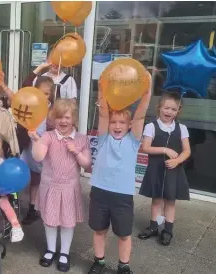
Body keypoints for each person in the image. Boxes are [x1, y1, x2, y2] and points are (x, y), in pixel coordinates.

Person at [87, 74, 152, 274]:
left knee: (124, 234)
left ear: (129, 125)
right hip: (100, 191)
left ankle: (123, 265)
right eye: (114, 122)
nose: (116, 126)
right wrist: (101, 88)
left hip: (122, 195)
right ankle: (99, 261)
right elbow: (104, 113)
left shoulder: (133, 141)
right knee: (99, 230)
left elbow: (140, 114)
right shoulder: (104, 138)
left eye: (121, 123)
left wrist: (147, 90)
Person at [29, 99, 92, 272]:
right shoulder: (48, 136)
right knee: (50, 220)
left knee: (67, 222)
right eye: (59, 118)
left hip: (69, 188)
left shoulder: (81, 139)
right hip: (50, 186)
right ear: (52, 119)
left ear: (74, 119)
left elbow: (87, 164)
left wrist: (76, 151)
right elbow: (39, 157)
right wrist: (36, 140)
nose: (63, 121)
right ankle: (51, 249)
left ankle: (64, 253)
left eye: (67, 117)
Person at [138, 92, 191, 246]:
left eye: (174, 109)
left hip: (173, 170)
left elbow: (186, 150)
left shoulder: (182, 128)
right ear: (159, 108)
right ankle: (154, 227)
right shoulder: (151, 126)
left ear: (178, 111)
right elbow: (146, 147)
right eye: (166, 108)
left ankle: (167, 230)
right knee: (156, 199)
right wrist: (165, 150)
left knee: (170, 201)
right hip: (156, 169)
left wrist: (177, 161)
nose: (169, 112)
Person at [19, 75, 56, 225]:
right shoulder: (30, 106)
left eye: (47, 93)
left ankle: (42, 206)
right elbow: (24, 87)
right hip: (29, 147)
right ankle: (28, 206)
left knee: (43, 179)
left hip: (45, 149)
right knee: (30, 177)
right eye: (41, 92)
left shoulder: (52, 110)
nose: (44, 96)